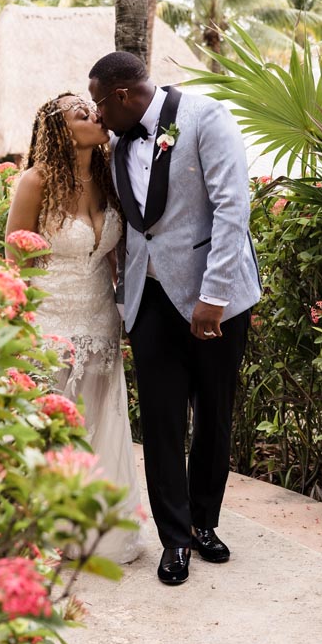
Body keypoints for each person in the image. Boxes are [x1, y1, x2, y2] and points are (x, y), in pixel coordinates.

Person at [87, 52, 261, 586]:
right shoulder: (117, 143)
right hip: (148, 302)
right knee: (161, 424)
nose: (96, 117)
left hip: (215, 300)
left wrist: (214, 294)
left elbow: (234, 207)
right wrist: (121, 301)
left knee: (213, 416)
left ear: (120, 96)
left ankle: (205, 524)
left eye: (98, 103)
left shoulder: (207, 117)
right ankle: (176, 539)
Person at [5, 92, 144, 565]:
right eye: (80, 114)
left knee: (96, 420)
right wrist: (15, 326)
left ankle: (90, 530)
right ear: (61, 131)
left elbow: (113, 258)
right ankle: (42, 529)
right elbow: (16, 257)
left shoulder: (108, 176)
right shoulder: (34, 181)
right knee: (49, 426)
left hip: (100, 316)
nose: (94, 115)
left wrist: (128, 314)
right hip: (49, 319)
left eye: (92, 108)